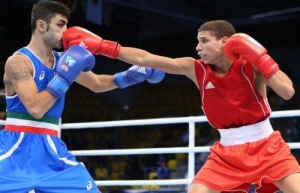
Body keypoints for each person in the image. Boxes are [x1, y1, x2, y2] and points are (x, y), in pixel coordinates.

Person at [62, 20, 300, 192]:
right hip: (226, 154)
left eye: (204, 41)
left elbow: (287, 92)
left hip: (268, 148)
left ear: (225, 42)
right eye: (198, 42)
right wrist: (104, 46)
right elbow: (146, 59)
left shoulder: (250, 65)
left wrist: (260, 56)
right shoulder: (195, 68)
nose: (198, 47)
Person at [1, 0, 164, 193]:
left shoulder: (63, 60)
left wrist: (129, 77)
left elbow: (96, 84)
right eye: (60, 24)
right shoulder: (18, 62)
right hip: (16, 150)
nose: (66, 32)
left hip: (52, 148)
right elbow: (36, 109)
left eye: (67, 25)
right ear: (41, 25)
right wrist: (64, 76)